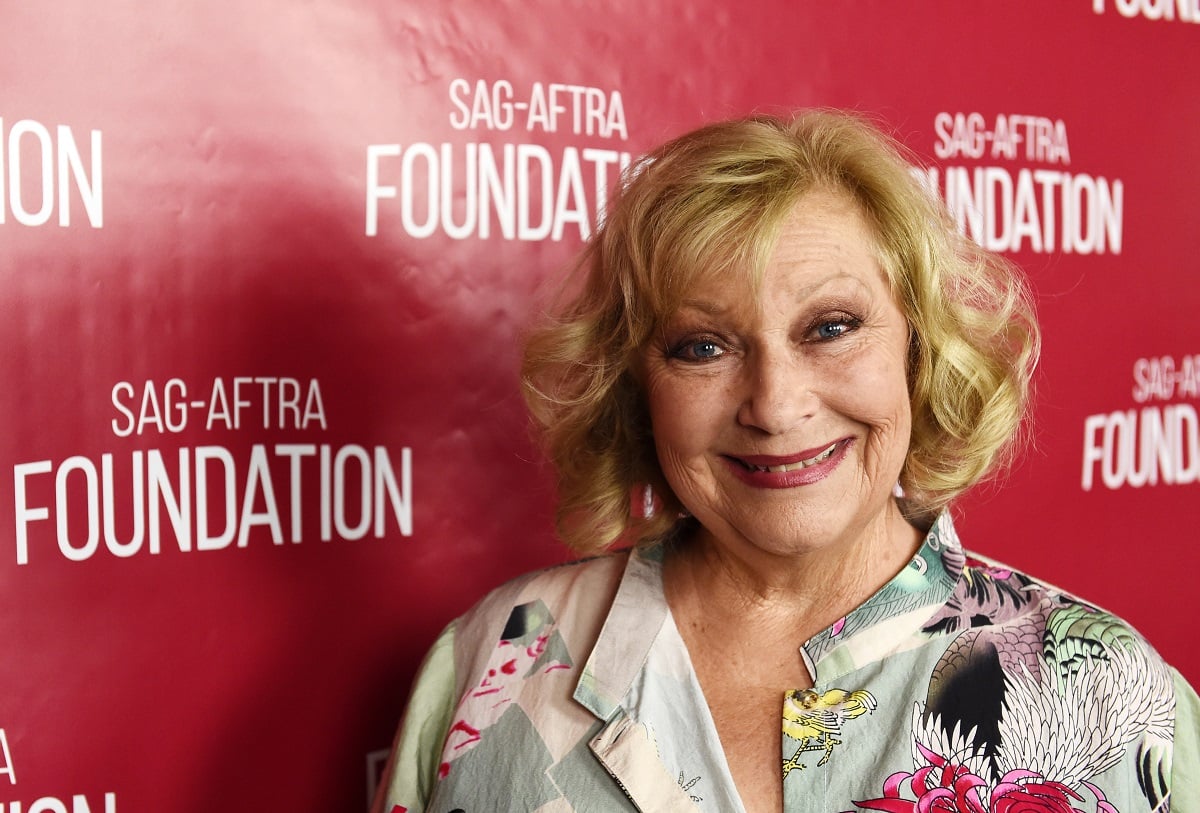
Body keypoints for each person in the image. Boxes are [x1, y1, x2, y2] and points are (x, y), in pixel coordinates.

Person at [371, 110, 1199, 813]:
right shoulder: (492, 660)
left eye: (831, 327)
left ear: (918, 351)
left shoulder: (1114, 694)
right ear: (636, 387)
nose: (773, 405)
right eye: (703, 346)